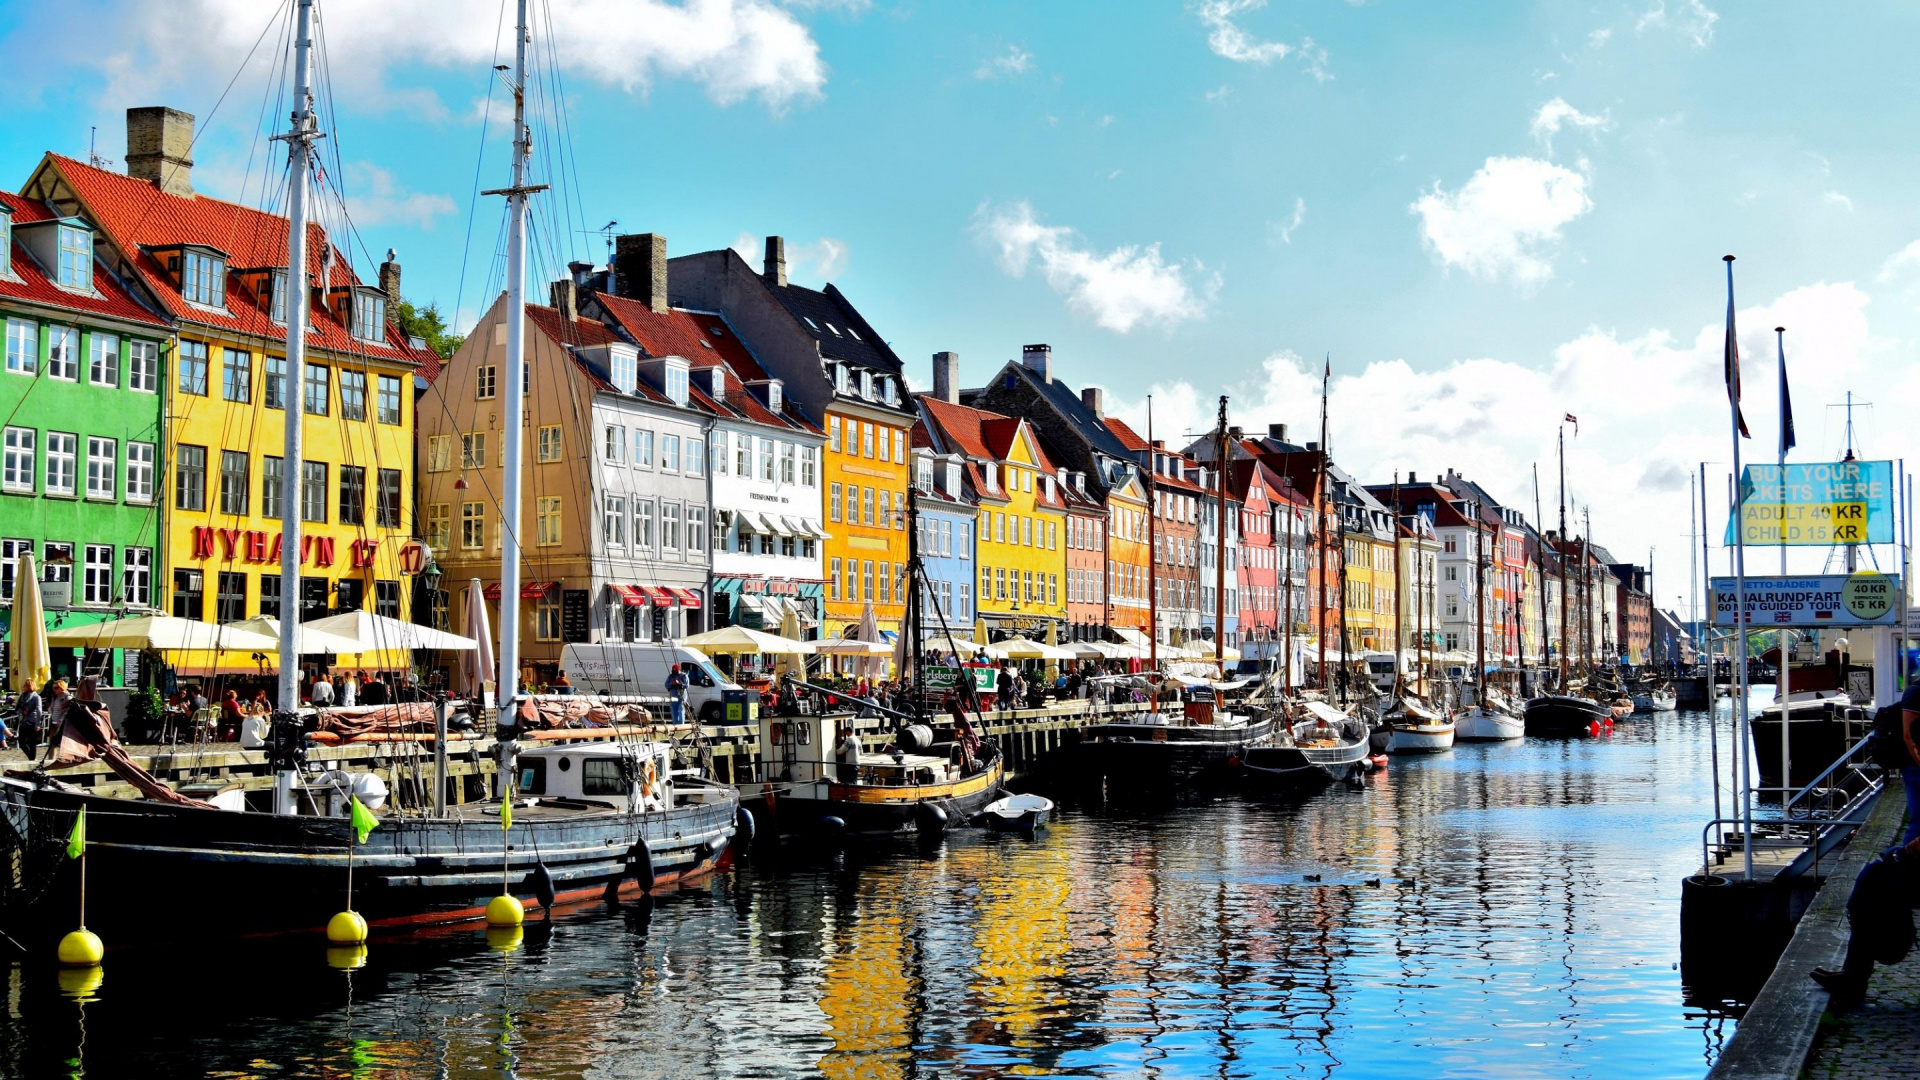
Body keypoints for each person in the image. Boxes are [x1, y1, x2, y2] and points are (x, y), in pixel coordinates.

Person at [14, 680, 42, 758]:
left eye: (25, 685)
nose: (24, 687)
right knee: (22, 742)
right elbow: (17, 708)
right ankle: (31, 757)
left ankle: (32, 758)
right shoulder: (22, 696)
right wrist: (22, 712)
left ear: (30, 686)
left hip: (33, 720)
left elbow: (39, 710)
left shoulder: (36, 697)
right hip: (24, 720)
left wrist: (38, 724)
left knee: (31, 742)